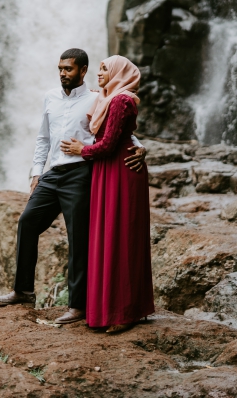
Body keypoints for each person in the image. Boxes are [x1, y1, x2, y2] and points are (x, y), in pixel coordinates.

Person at [0, 48, 146, 325]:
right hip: (53, 173)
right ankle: (23, 291)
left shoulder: (99, 98)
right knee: (27, 222)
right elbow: (43, 138)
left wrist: (141, 148)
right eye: (60, 68)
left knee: (79, 239)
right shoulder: (49, 97)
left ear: (82, 71)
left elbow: (121, 131)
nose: (63, 73)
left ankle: (77, 306)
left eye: (68, 69)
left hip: (82, 174)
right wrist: (36, 173)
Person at [60, 55, 154, 334]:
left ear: (118, 73)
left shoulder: (121, 100)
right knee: (110, 237)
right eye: (99, 68)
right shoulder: (104, 97)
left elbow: (110, 144)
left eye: (105, 69)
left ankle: (126, 312)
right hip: (105, 171)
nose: (100, 74)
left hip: (120, 170)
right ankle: (111, 308)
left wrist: (81, 151)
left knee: (122, 238)